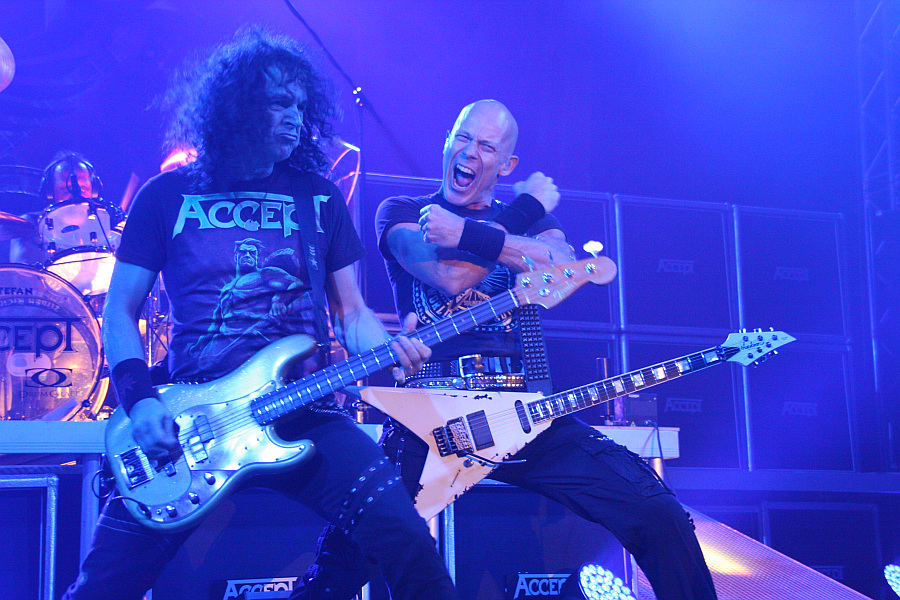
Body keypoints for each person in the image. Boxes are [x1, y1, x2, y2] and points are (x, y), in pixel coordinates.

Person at [61, 28, 461, 600]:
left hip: (306, 412)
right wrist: (140, 399)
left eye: (300, 105)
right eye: (279, 103)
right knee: (103, 586)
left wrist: (388, 349)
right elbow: (119, 310)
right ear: (237, 106)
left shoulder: (319, 197)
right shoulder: (165, 196)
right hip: (190, 424)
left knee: (409, 542)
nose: (295, 117)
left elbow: (352, 314)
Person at [296, 100, 719, 600]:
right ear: (447, 143)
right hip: (429, 416)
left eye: (485, 145)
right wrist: (523, 215)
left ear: (506, 164)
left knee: (656, 510)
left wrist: (470, 233)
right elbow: (450, 276)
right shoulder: (404, 212)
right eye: (461, 137)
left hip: (525, 414)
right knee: (346, 560)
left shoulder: (537, 223)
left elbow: (564, 267)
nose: (468, 152)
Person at [9, 151, 107, 266]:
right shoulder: (29, 224)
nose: (76, 195)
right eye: (65, 189)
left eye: (83, 187)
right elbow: (22, 271)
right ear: (50, 193)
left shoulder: (106, 223)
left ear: (94, 191)